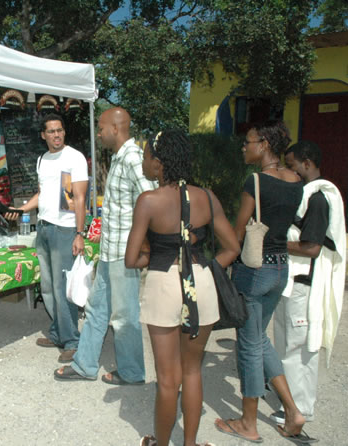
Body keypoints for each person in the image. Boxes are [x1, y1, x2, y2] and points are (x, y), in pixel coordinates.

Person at [123, 130, 239, 446]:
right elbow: (231, 248)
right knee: (191, 372)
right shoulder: (207, 197)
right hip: (200, 283)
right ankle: (189, 444)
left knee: (167, 380)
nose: (145, 161)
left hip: (164, 284)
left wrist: (156, 253)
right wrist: (204, 267)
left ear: (159, 164)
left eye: (147, 156)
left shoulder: (148, 201)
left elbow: (132, 259)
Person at [215, 121, 309, 443]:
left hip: (253, 271)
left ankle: (248, 424)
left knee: (249, 348)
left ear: (265, 144)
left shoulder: (255, 181)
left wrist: (218, 264)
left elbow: (238, 231)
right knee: (260, 340)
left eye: (249, 142)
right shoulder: (297, 180)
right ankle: (293, 412)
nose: (245, 147)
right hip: (280, 269)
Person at [54, 107, 155, 385]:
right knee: (96, 308)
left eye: (100, 128)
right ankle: (85, 365)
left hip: (125, 254)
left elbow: (151, 199)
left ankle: (132, 373)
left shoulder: (133, 158)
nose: (98, 133)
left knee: (124, 316)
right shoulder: (119, 157)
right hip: (111, 252)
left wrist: (144, 244)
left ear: (116, 127)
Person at [270, 141, 346, 425]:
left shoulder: (318, 198)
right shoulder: (304, 194)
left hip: (303, 284)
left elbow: (312, 247)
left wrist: (276, 243)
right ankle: (286, 398)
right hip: (290, 282)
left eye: (291, 166)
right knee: (284, 341)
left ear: (307, 163)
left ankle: (300, 407)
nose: (290, 173)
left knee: (299, 348)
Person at [6, 113, 88, 363]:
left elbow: (79, 198)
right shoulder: (42, 159)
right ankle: (57, 333)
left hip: (64, 230)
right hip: (43, 228)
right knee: (48, 287)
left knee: (64, 288)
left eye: (60, 130)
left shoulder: (74, 157)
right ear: (43, 135)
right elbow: (41, 194)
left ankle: (72, 341)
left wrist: (79, 233)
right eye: (51, 131)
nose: (56, 135)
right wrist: (21, 210)